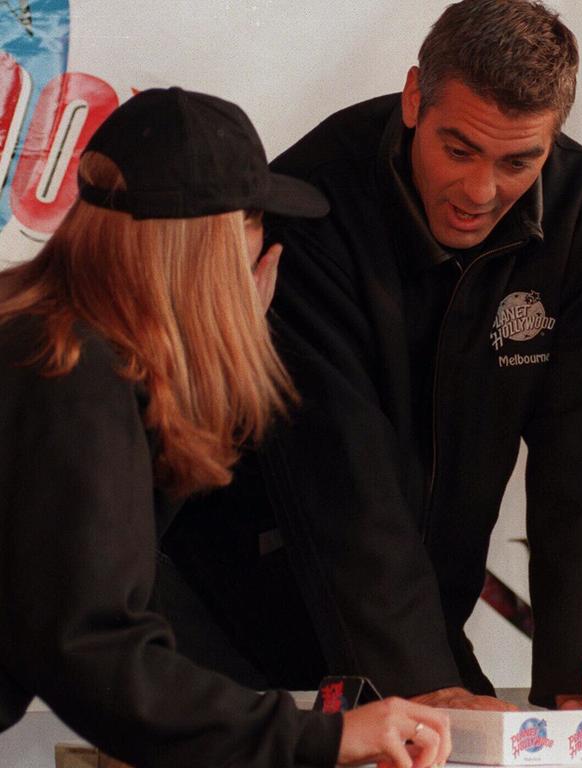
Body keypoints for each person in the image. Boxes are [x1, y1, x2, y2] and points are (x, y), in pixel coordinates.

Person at [164, 0, 582, 710]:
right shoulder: (313, 203)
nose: (481, 192)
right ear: (415, 96)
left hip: (416, 612)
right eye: (458, 150)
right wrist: (425, 685)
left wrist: (577, 697)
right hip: (236, 604)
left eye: (519, 161)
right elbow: (341, 472)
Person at [0, 87, 451, 768]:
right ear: (206, 245)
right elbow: (96, 645)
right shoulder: (66, 367)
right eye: (255, 221)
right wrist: (322, 736)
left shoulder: (47, 337)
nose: (266, 243)